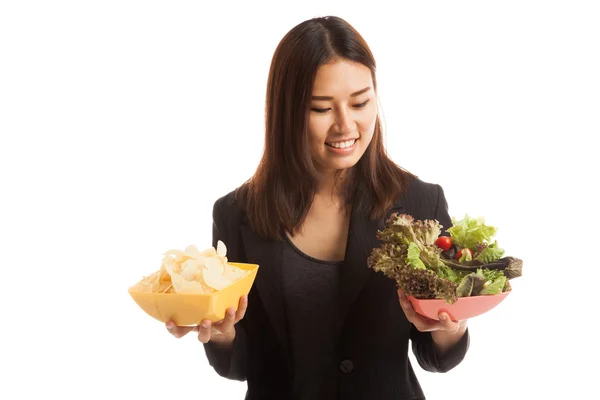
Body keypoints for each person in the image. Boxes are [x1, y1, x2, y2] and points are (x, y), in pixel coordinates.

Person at [166, 15, 469, 400]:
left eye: (360, 102)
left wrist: (450, 326)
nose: (346, 125)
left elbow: (435, 357)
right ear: (286, 112)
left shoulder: (421, 203)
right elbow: (244, 364)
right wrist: (222, 334)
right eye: (322, 109)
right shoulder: (236, 213)